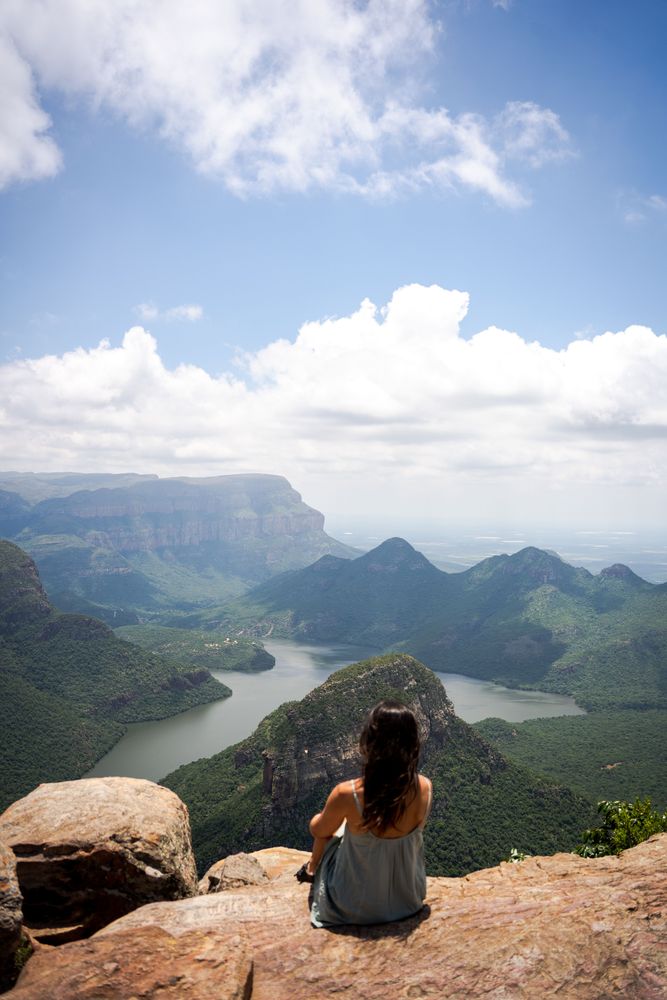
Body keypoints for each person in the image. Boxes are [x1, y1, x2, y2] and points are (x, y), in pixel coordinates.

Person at [296, 699, 433, 927]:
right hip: (409, 901)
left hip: (352, 907)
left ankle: (310, 871)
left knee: (331, 829)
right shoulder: (426, 787)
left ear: (369, 742)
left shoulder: (347, 794)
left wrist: (315, 820)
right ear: (413, 743)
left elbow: (318, 830)